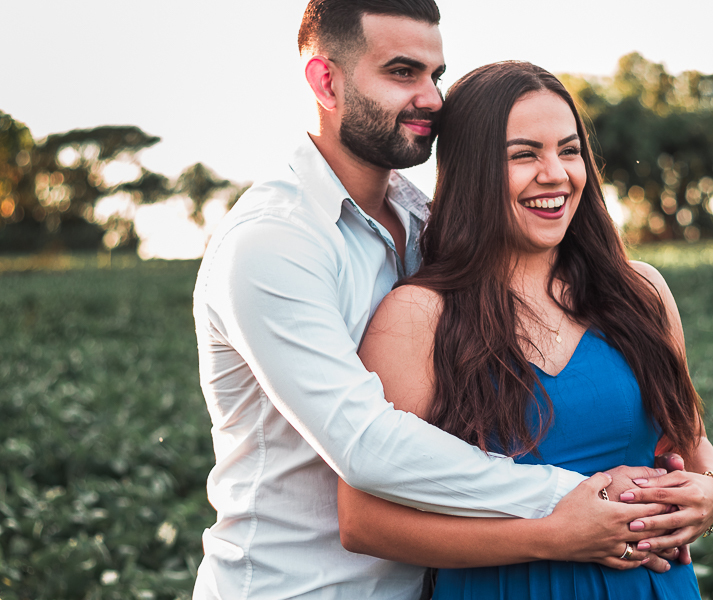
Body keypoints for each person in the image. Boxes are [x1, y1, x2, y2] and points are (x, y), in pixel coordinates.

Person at [191, 2, 686, 599]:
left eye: (436, 75)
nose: (431, 98)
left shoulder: (421, 221)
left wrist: (705, 491)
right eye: (403, 73)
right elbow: (368, 446)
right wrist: (574, 503)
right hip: (298, 588)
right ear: (326, 81)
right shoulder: (273, 242)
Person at [337, 61, 713, 598]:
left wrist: (710, 496)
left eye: (569, 150)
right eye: (524, 154)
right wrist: (555, 537)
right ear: (473, 171)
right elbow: (364, 523)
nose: (556, 173)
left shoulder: (642, 292)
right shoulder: (419, 316)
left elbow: (691, 443)